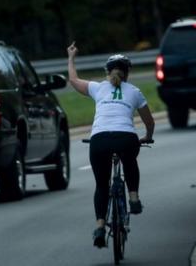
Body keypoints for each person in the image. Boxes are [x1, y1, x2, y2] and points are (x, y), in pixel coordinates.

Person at [67, 42, 155, 248]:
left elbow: (72, 79)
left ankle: (99, 226)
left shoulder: (97, 87)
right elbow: (149, 121)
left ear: (107, 71)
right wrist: (147, 136)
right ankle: (133, 197)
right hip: (126, 138)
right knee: (130, 161)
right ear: (128, 73)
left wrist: (71, 57)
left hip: (99, 140)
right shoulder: (134, 91)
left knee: (101, 185)